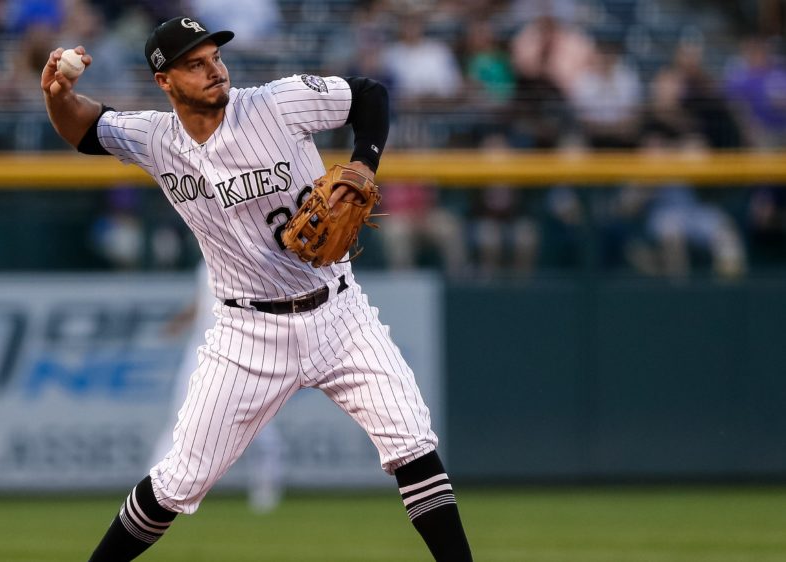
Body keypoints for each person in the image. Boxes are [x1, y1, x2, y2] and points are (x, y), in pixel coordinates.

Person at [41, 15, 472, 562]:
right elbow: (83, 129)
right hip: (246, 332)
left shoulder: (276, 103)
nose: (214, 70)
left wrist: (364, 163)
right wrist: (57, 94)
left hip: (338, 314)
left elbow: (368, 94)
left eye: (215, 58)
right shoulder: (154, 138)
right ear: (165, 81)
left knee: (411, 443)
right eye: (195, 65)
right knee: (177, 482)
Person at [154, 261, 283, 514]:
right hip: (200, 350)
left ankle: (266, 489)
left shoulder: (252, 257)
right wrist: (180, 322)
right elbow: (203, 302)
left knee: (260, 429)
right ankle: (153, 490)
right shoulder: (205, 260)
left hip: (240, 352)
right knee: (178, 421)